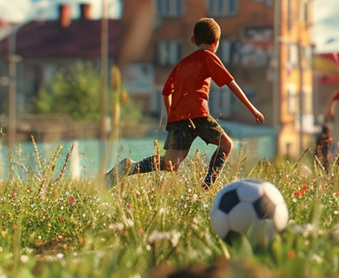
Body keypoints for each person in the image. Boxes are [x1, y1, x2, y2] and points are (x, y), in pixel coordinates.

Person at [105, 18, 264, 188]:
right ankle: (206, 187)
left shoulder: (181, 64)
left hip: (178, 119)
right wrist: (253, 110)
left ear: (193, 40)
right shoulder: (208, 57)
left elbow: (166, 92)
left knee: (170, 164)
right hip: (198, 116)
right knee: (226, 144)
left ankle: (129, 167)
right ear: (216, 42)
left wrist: (170, 117)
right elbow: (231, 84)